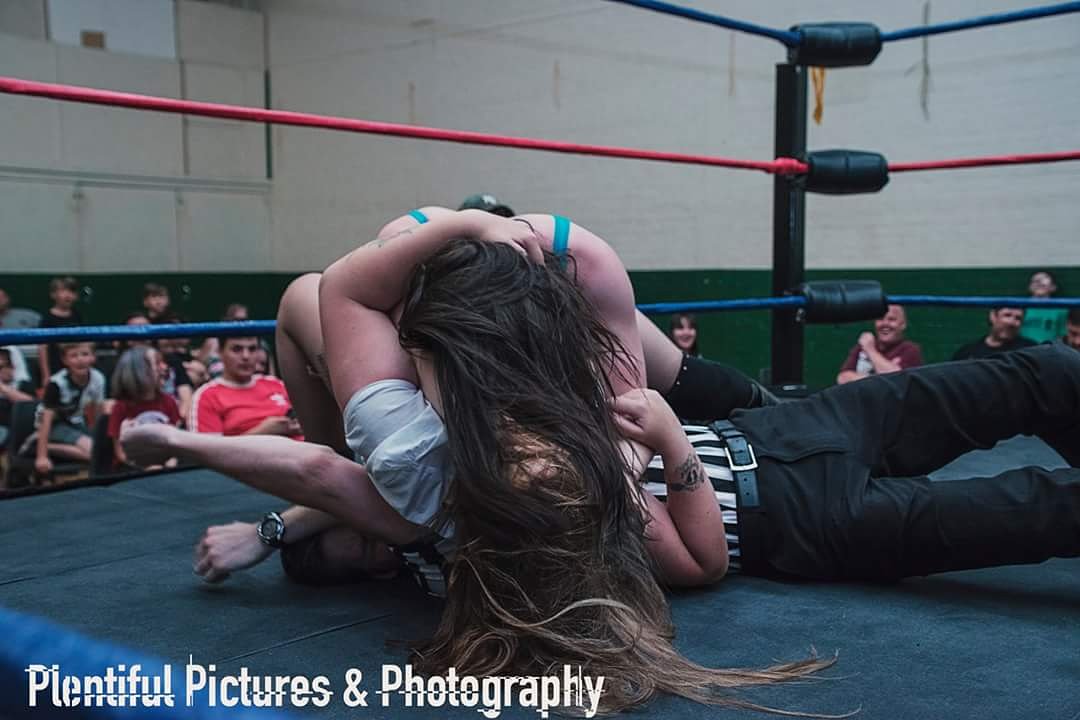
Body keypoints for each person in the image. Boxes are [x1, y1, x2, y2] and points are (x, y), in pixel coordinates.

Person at [188, 336, 301, 439]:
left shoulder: (276, 384)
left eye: (252, 349)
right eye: (237, 349)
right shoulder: (207, 396)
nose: (246, 356)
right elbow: (208, 453)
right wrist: (264, 431)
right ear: (220, 352)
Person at [22, 342, 105, 477]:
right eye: (74, 356)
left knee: (101, 450)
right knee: (94, 451)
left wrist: (98, 436)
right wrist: (41, 456)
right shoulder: (56, 384)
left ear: (93, 357)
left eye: (85, 354)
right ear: (65, 360)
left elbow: (98, 412)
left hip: (74, 422)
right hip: (51, 425)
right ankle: (36, 447)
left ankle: (45, 448)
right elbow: (46, 420)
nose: (80, 359)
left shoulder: (98, 378)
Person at [108, 346, 181, 470]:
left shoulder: (169, 402)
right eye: (157, 363)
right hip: (131, 470)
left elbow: (175, 441)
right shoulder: (121, 407)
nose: (164, 367)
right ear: (138, 372)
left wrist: (171, 462)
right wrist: (147, 467)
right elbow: (121, 454)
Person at [836, 304, 922, 384]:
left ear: (903, 324)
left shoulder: (910, 350)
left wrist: (870, 351)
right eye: (880, 319)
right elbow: (843, 378)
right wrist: (881, 378)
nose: (885, 324)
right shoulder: (862, 346)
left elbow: (897, 381)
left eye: (891, 319)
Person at [37, 276, 84, 382]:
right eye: (63, 291)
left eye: (71, 291)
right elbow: (42, 348)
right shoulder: (48, 318)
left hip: (73, 366)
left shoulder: (77, 315)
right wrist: (46, 375)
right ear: (53, 294)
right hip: (55, 365)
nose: (67, 295)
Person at [952, 306, 1036, 360]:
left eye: (1018, 318)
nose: (1012, 322)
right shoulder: (968, 353)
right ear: (992, 316)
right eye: (1007, 315)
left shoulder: (1030, 350)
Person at [1021, 270, 1067, 343]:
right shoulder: (1020, 307)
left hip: (1048, 350)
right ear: (1030, 287)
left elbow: (1062, 335)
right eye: (1036, 281)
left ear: (1053, 287)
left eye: (1044, 280)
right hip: (1022, 349)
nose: (1039, 282)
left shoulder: (1060, 309)